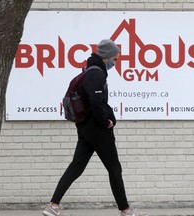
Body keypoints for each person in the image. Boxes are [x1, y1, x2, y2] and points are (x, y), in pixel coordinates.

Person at [42, 39, 148, 216]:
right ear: (107, 57)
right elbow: (96, 101)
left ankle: (53, 205)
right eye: (115, 58)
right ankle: (126, 210)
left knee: (76, 166)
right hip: (96, 129)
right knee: (114, 167)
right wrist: (105, 121)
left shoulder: (90, 70)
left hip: (85, 128)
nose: (116, 62)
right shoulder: (96, 73)